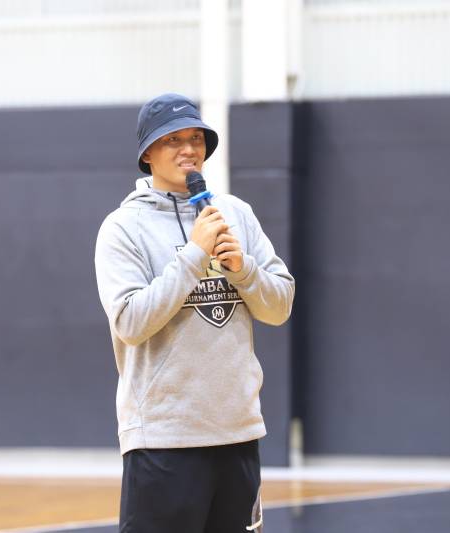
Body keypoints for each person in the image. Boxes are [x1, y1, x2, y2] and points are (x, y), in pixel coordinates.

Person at [94, 93, 295, 533]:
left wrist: (243, 270)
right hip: (164, 439)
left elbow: (279, 306)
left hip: (237, 432)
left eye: (196, 138)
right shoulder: (122, 228)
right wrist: (193, 255)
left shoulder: (235, 213)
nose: (189, 149)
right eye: (173, 140)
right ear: (148, 153)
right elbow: (130, 322)